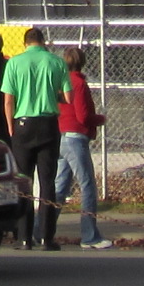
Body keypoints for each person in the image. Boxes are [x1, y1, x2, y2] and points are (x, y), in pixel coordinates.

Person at [0, 25, 72, 251]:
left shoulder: (14, 63)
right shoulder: (57, 62)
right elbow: (68, 97)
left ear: (25, 43)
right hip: (48, 123)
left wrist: (11, 128)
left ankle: (24, 237)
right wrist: (52, 93)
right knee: (47, 181)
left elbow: (9, 100)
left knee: (24, 181)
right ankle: (47, 237)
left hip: (23, 124)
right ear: (43, 42)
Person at [56, 43, 110, 248]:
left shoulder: (59, 81)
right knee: (87, 185)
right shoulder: (78, 84)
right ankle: (89, 236)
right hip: (75, 138)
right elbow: (83, 116)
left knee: (59, 187)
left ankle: (40, 230)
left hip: (61, 136)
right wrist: (100, 119)